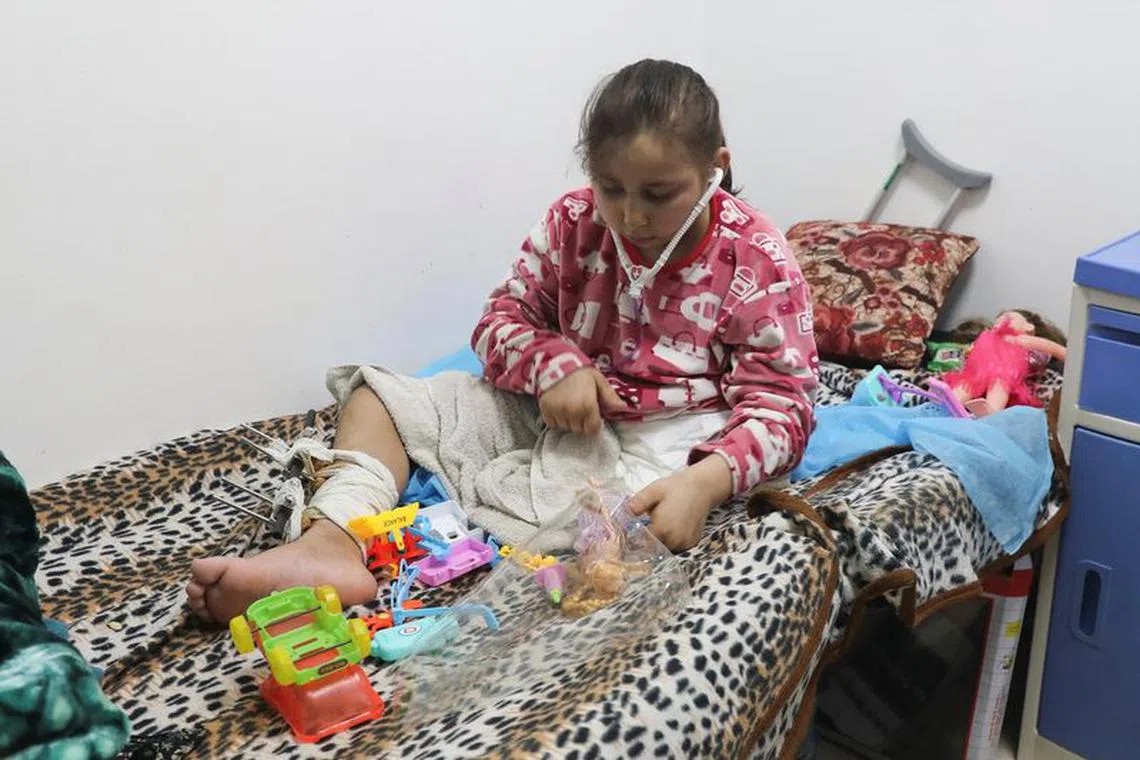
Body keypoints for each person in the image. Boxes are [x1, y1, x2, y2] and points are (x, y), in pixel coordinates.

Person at [187, 58, 819, 625]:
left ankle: (534, 536)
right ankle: (333, 542)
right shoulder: (573, 221)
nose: (631, 217)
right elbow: (499, 323)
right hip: (560, 413)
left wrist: (705, 484)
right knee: (378, 398)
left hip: (669, 439)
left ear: (717, 170)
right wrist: (554, 365)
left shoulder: (756, 259)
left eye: (659, 195)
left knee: (605, 540)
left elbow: (784, 407)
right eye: (611, 188)